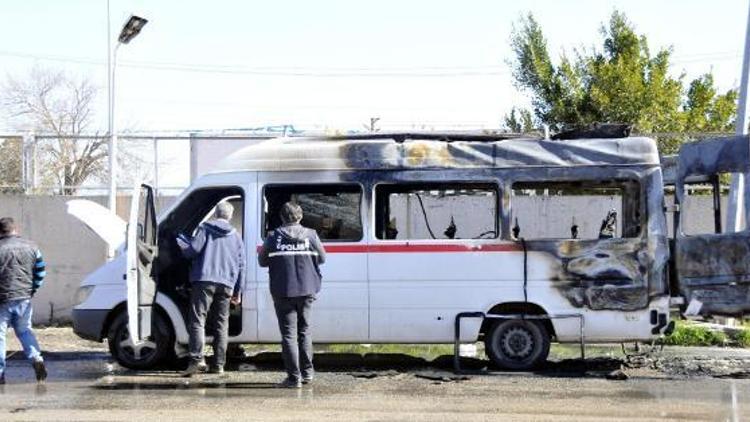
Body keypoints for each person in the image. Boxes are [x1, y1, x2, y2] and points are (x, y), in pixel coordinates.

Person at [259, 202, 326, 388]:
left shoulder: (273, 237)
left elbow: (262, 261)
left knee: (288, 335)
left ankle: (293, 378)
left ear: (282, 217)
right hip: (307, 289)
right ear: (300, 216)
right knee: (304, 331)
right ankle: (307, 374)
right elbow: (322, 258)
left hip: (283, 290)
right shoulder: (311, 235)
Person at [176, 202, 244, 377]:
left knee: (198, 320)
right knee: (222, 324)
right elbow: (242, 264)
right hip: (227, 283)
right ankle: (219, 364)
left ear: (215, 214)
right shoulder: (236, 236)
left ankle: (197, 360)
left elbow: (193, 250)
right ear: (229, 216)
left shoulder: (205, 228)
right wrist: (238, 291)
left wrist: (182, 245)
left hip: (204, 280)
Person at [0, 217, 47, 384]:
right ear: (15, 229)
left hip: (2, 300)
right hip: (24, 298)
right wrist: (32, 290)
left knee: (0, 337)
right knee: (25, 331)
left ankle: (0, 373)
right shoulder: (32, 247)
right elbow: (41, 272)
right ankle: (37, 359)